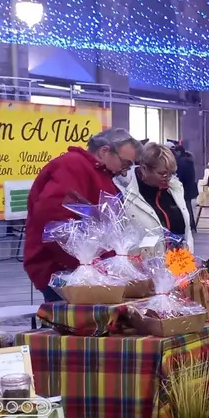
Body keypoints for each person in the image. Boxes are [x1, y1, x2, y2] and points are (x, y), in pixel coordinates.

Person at [24, 129, 142, 302]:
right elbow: (53, 221)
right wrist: (86, 264)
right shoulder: (73, 166)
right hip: (65, 271)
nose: (124, 171)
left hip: (86, 270)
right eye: (125, 164)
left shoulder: (100, 173)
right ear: (104, 151)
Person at [116, 142, 194, 251]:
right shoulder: (124, 192)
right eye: (162, 173)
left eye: (171, 173)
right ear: (144, 169)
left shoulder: (175, 188)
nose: (167, 178)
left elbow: (187, 232)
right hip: (143, 265)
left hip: (179, 264)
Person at [170, 141, 200, 232]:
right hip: (190, 188)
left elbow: (179, 176)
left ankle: (189, 225)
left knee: (186, 207)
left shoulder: (181, 163)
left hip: (185, 188)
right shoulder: (189, 160)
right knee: (188, 207)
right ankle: (192, 226)